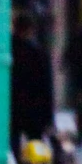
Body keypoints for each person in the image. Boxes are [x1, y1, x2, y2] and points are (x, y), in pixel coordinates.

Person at [10, 12, 55, 147]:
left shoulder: (9, 49)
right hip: (34, 108)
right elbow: (46, 86)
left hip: (13, 107)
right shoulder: (38, 53)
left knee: (13, 144)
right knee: (35, 145)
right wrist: (48, 117)